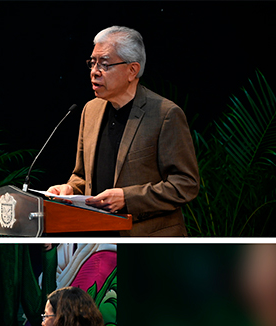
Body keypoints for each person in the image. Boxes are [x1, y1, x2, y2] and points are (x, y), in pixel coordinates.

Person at [47, 26, 199, 237]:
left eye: (105, 64)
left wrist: (128, 198)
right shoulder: (90, 111)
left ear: (132, 70)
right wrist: (70, 190)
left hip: (147, 241)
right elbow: (82, 176)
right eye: (92, 63)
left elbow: (186, 184)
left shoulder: (165, 114)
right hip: (98, 242)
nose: (94, 71)